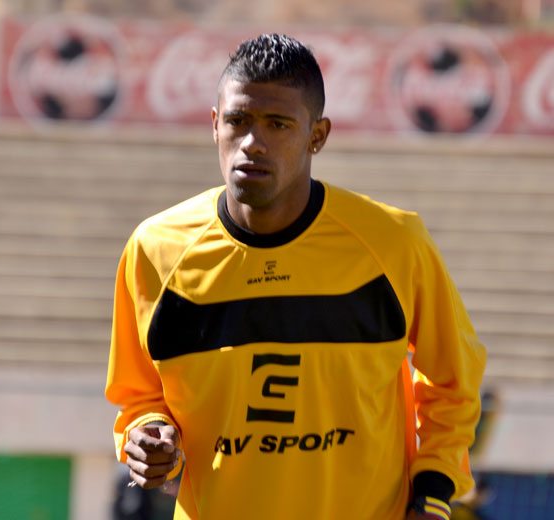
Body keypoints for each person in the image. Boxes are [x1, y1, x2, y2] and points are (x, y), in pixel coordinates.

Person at [105, 33, 486, 520]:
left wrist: (432, 493)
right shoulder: (155, 250)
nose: (252, 143)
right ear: (215, 124)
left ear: (317, 136)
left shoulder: (393, 243)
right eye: (238, 121)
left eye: (278, 124)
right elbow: (138, 396)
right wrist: (148, 435)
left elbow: (454, 381)